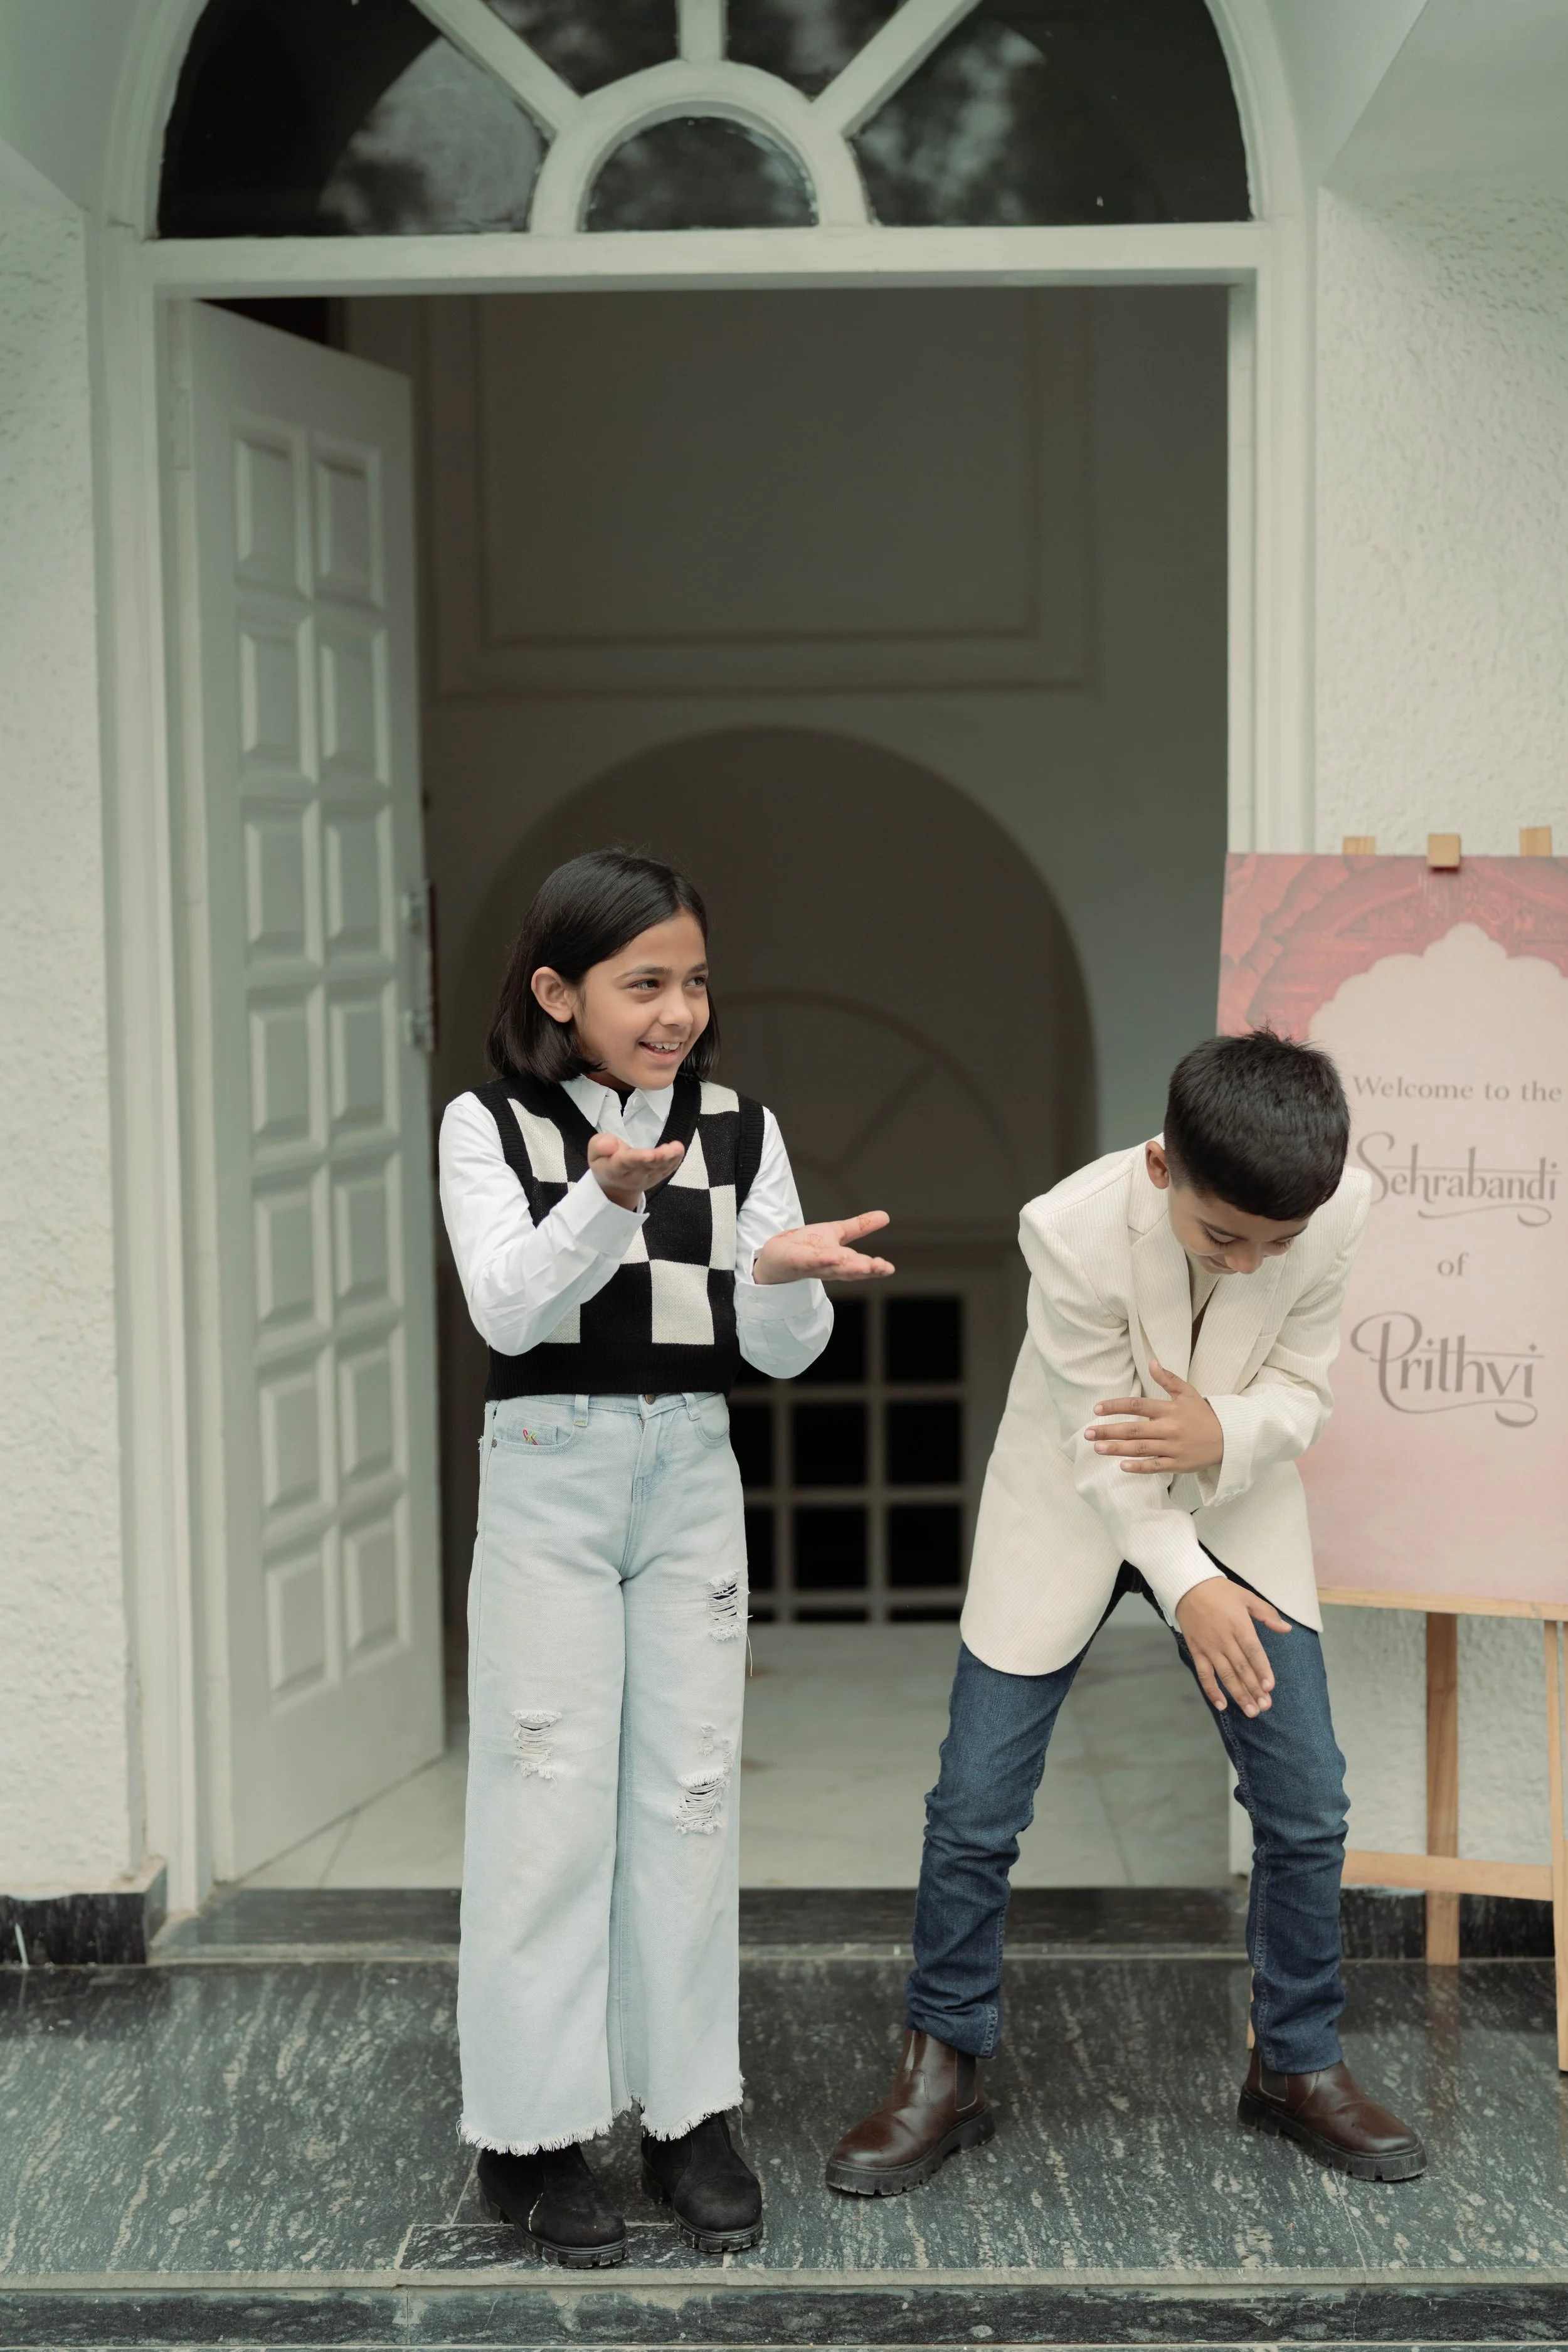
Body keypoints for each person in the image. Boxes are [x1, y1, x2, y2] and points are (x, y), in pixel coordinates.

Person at [826, 1029, 1426, 2198]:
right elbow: (1098, 1445)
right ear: (1164, 1169)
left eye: (1280, 1244)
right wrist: (1188, 1584)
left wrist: (1227, 1436)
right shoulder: (1070, 1225)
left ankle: (1297, 2063)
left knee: (1305, 1799)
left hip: (1238, 1498)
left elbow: (1304, 1387)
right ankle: (942, 2062)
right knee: (975, 1803)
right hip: (1068, 1496)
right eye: (1224, 1238)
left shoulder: (1340, 1205)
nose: (1253, 1265)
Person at [442, 847, 893, 2267]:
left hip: (690, 1468)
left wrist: (780, 1281)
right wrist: (608, 1198)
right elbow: (509, 1315)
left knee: (690, 1799)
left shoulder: (743, 1129)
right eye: (644, 984)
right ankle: (525, 2143)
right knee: (546, 1799)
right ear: (557, 990)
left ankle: (688, 2117)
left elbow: (772, 1355)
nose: (676, 1011)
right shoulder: (490, 1124)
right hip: (547, 1481)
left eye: (694, 982)